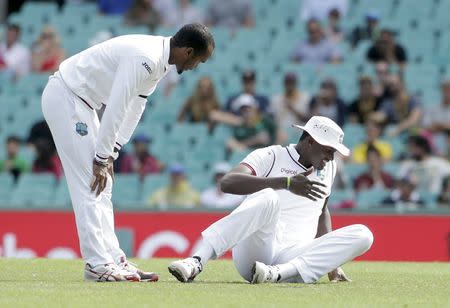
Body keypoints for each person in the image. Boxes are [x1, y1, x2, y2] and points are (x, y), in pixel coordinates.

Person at [41, 24, 214, 282]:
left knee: (103, 183)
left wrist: (113, 151)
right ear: (188, 52)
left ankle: (113, 259)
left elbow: (136, 106)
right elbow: (117, 107)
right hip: (67, 96)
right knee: (91, 182)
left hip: (83, 104)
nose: (195, 67)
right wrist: (101, 158)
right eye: (198, 61)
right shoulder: (146, 57)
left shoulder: (160, 62)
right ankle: (97, 265)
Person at [169, 116, 373, 284]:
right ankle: (196, 261)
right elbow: (227, 182)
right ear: (310, 141)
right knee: (268, 196)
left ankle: (277, 274)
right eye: (329, 151)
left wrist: (333, 265)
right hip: (256, 252)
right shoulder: (271, 155)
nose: (331, 157)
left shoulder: (330, 168)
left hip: (294, 257)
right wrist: (285, 183)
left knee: (364, 234)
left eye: (334, 152)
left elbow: (322, 211)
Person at [271, 72, 310, 145]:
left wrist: (292, 108)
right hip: (282, 133)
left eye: (292, 82)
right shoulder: (277, 99)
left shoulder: (304, 98)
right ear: (284, 83)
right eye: (288, 82)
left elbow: (306, 118)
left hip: (299, 132)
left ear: (296, 83)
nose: (290, 85)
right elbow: (273, 120)